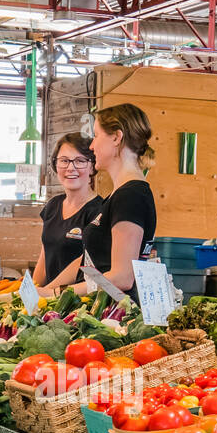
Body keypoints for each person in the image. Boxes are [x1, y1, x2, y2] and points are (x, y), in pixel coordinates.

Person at [44, 104, 157, 300]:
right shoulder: (118, 194)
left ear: (116, 137)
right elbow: (88, 259)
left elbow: (122, 277)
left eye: (96, 135)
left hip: (114, 317)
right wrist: (47, 290)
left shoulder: (131, 196)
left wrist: (58, 293)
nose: (91, 145)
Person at [32, 133, 104, 288]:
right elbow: (45, 253)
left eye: (80, 161)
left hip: (78, 303)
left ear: (92, 167)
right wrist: (33, 289)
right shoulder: (52, 205)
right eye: (64, 161)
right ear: (55, 165)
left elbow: (86, 264)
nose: (71, 168)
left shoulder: (100, 211)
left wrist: (46, 292)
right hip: (49, 302)